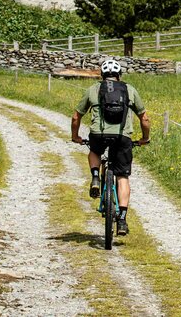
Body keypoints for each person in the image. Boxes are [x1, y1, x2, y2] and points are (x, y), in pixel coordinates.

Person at [71, 58, 150, 236]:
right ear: (119, 75)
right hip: (123, 137)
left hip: (98, 134)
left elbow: (76, 117)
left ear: (102, 75)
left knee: (94, 151)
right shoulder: (129, 89)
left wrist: (75, 136)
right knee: (122, 176)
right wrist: (145, 138)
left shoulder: (93, 89)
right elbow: (144, 118)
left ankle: (96, 177)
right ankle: (121, 219)